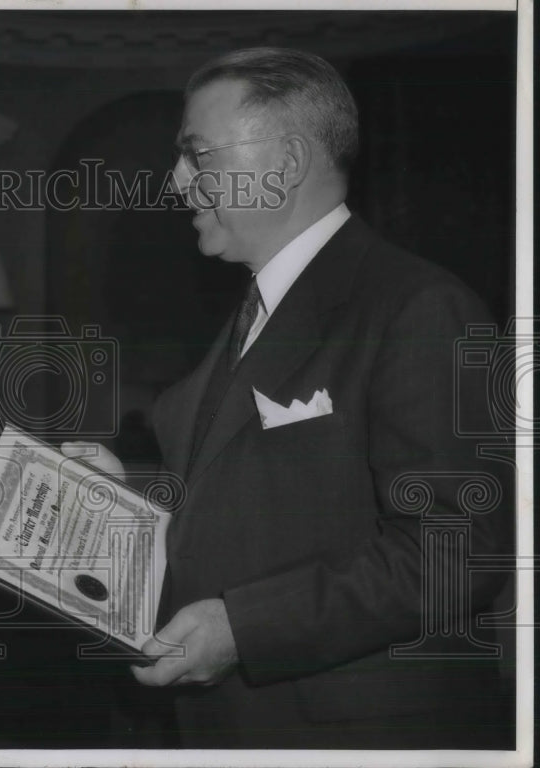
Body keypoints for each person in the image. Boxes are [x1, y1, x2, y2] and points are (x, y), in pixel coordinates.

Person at [69, 47, 513, 749]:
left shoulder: (417, 306)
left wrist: (246, 628)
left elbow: (460, 548)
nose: (176, 181)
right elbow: (262, 495)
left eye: (197, 155)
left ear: (288, 161)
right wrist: (128, 494)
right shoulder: (254, 307)